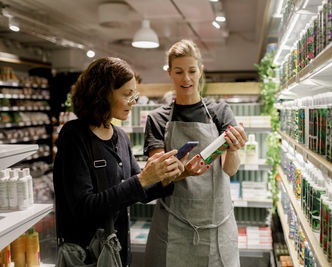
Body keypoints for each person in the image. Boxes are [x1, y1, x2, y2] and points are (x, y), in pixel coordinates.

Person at [53, 57, 186, 266]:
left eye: (135, 94)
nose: (134, 101)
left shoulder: (120, 137)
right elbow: (83, 207)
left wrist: (168, 177)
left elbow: (139, 192)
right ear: (102, 94)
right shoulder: (74, 136)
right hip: (87, 256)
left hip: (117, 252)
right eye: (127, 94)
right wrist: (143, 179)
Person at [143, 39, 247, 267]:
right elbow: (156, 178)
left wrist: (234, 148)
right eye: (179, 71)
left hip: (216, 226)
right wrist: (183, 173)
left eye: (191, 71)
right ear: (170, 73)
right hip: (172, 228)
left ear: (200, 71)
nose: (186, 78)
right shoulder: (157, 119)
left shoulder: (220, 112)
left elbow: (229, 169)